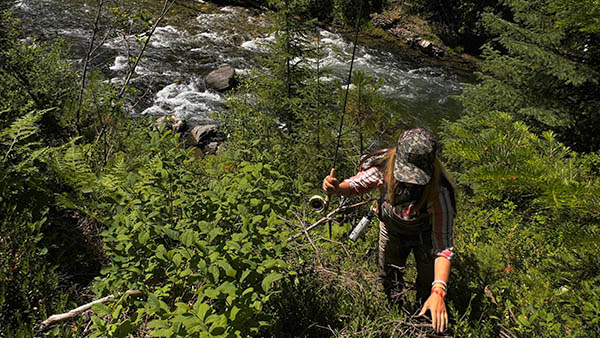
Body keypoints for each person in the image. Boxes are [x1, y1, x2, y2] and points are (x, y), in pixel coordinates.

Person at [322, 128, 455, 333]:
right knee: (389, 276)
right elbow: (358, 184)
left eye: (415, 177)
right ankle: (395, 311)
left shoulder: (440, 191)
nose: (409, 181)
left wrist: (438, 291)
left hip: (425, 237)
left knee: (428, 282)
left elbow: (442, 248)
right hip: (392, 230)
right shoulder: (383, 167)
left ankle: (424, 315)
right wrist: (337, 188)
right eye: (405, 174)